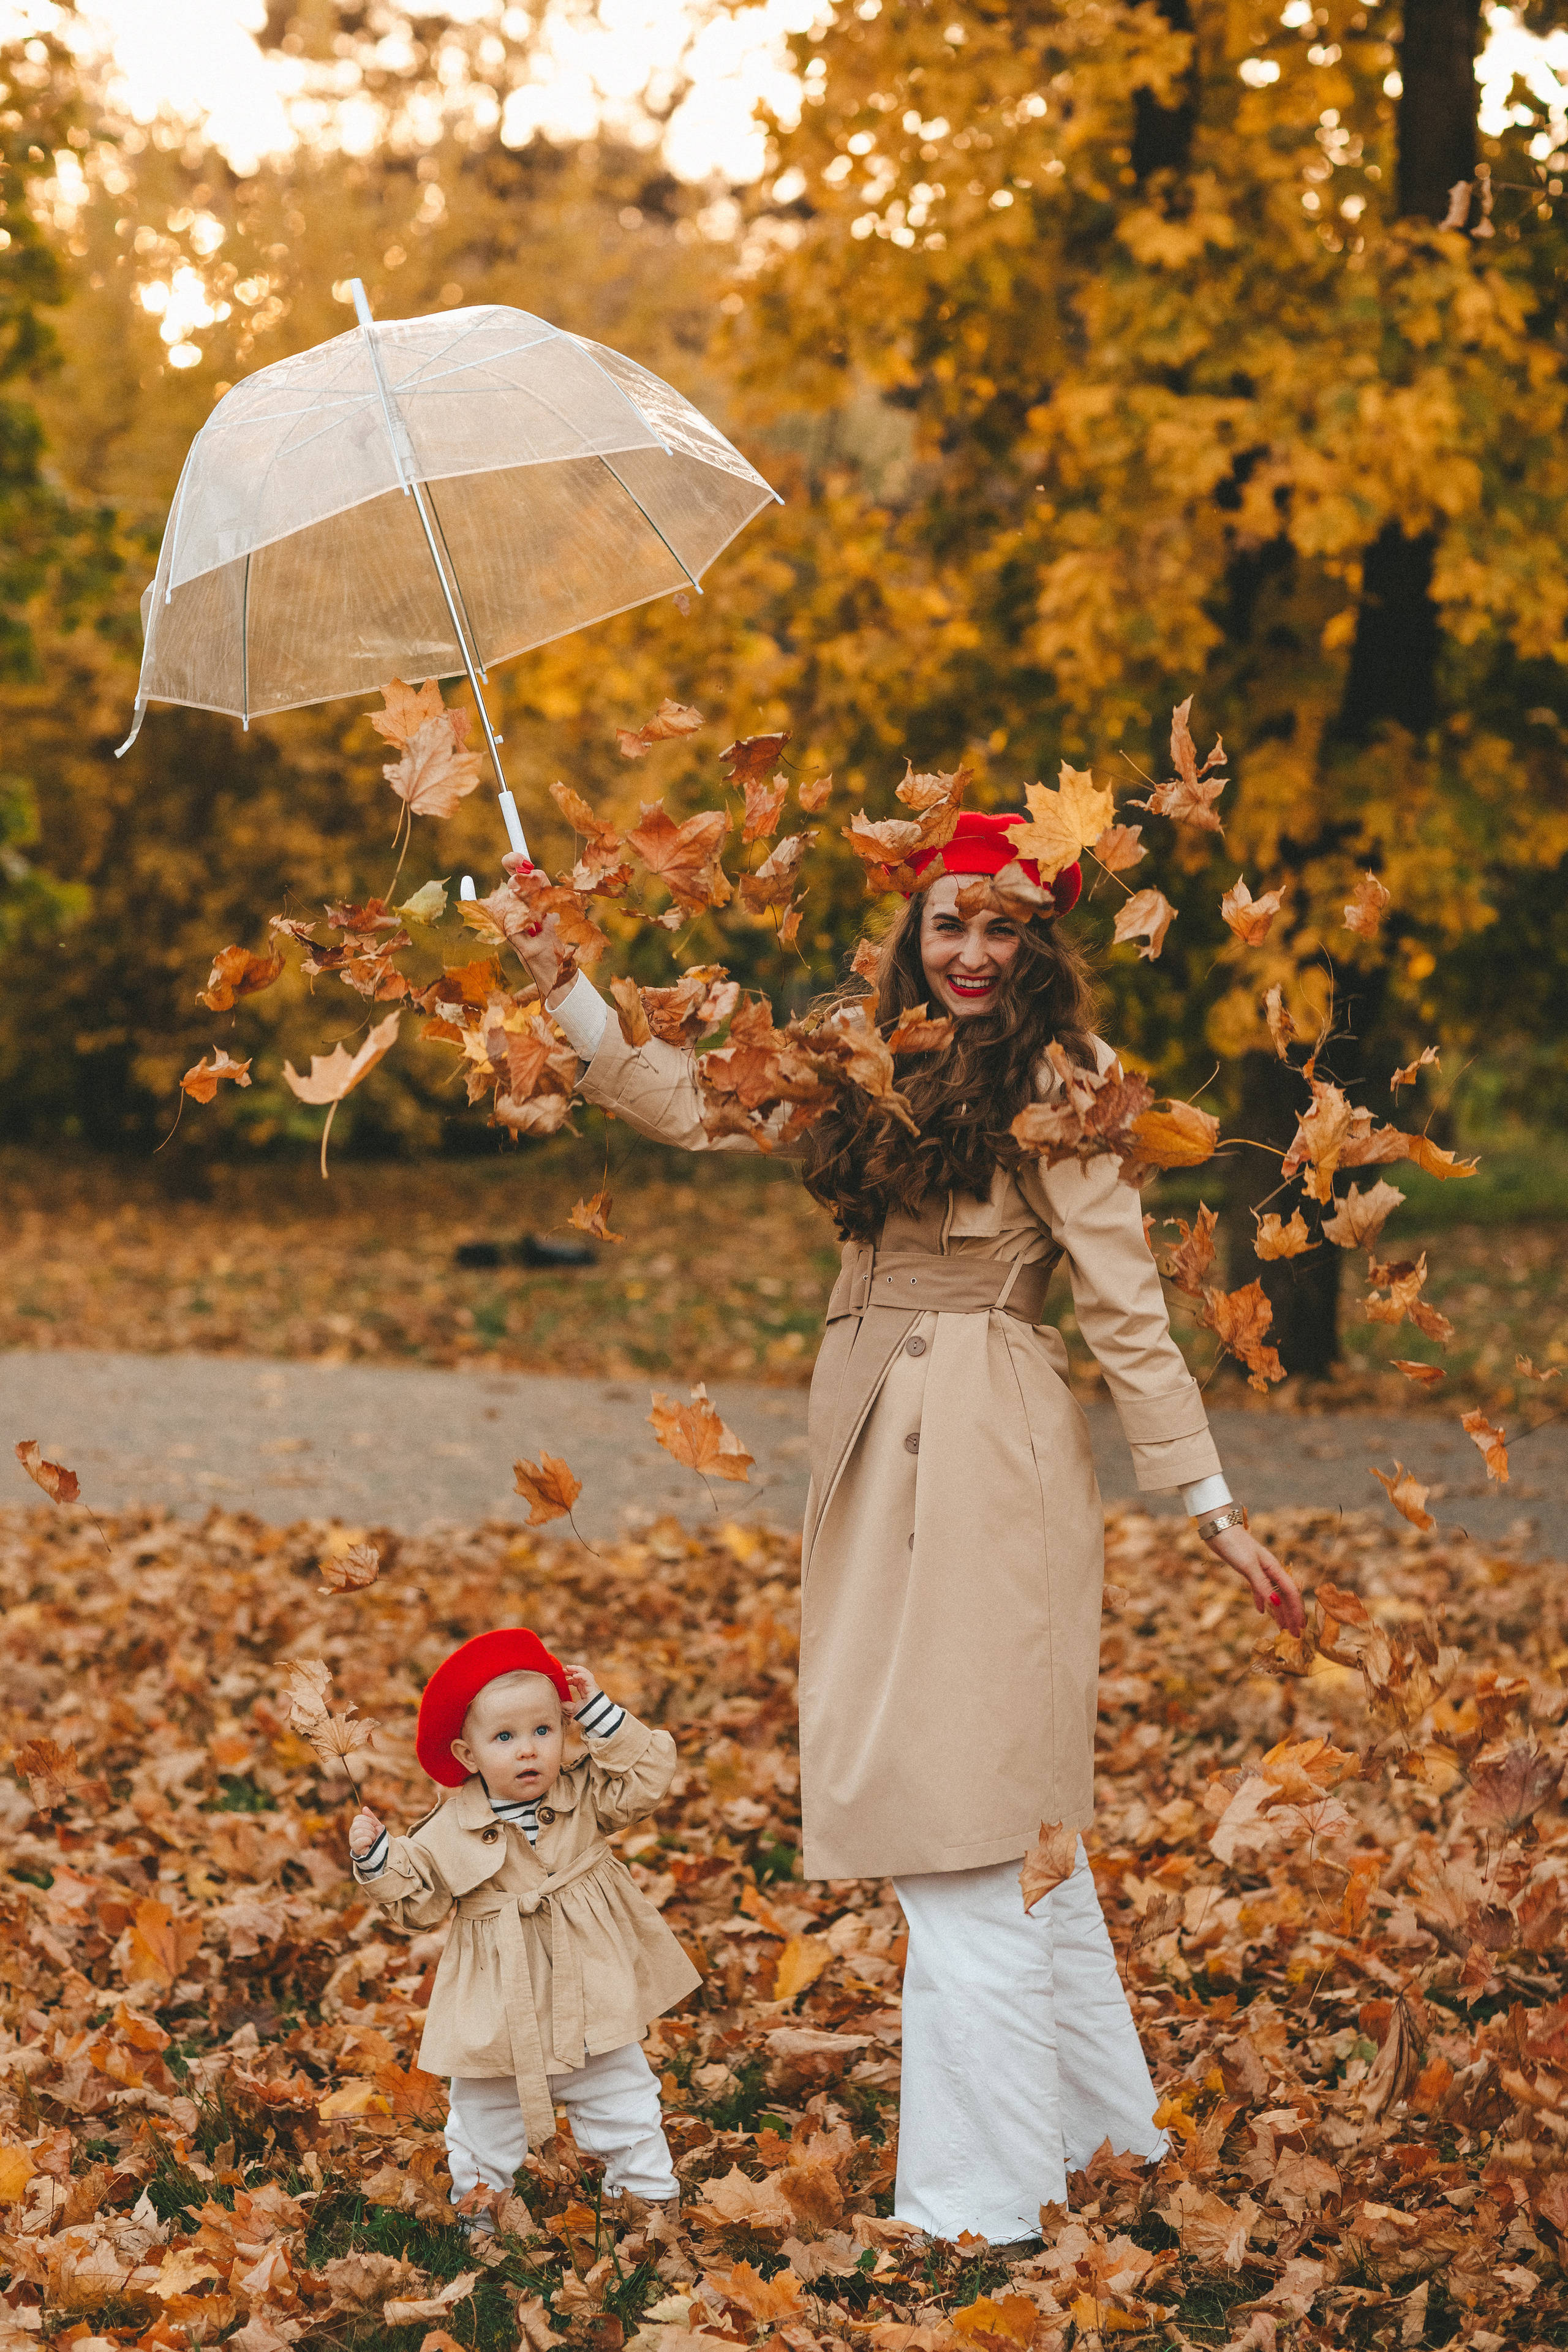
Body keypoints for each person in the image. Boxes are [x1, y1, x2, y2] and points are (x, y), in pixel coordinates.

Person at [505, 808, 1306, 2247]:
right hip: (876, 1433)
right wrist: (560, 974)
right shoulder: (858, 1061)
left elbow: (1126, 1308)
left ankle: (974, 2212)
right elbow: (683, 1096)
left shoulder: (1066, 1085)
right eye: (951, 921)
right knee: (1001, 1834)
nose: (975, 950)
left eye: (1004, 926)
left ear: (1039, 943)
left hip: (983, 1441)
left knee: (959, 1829)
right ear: (910, 932)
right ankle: (1103, 2146)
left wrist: (1208, 1506)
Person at [347, 1627, 698, 2221]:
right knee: (483, 2113)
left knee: (623, 2095)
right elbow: (420, 1903)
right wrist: (378, 1859)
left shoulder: (586, 1792)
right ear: (467, 1754)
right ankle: (483, 2206)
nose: (529, 1750)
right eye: (504, 1737)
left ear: (565, 1730)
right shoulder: (448, 1828)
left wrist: (602, 1716)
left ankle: (646, 2199)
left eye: (543, 1731)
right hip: (497, 2005)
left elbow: (647, 1780)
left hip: (590, 1985)